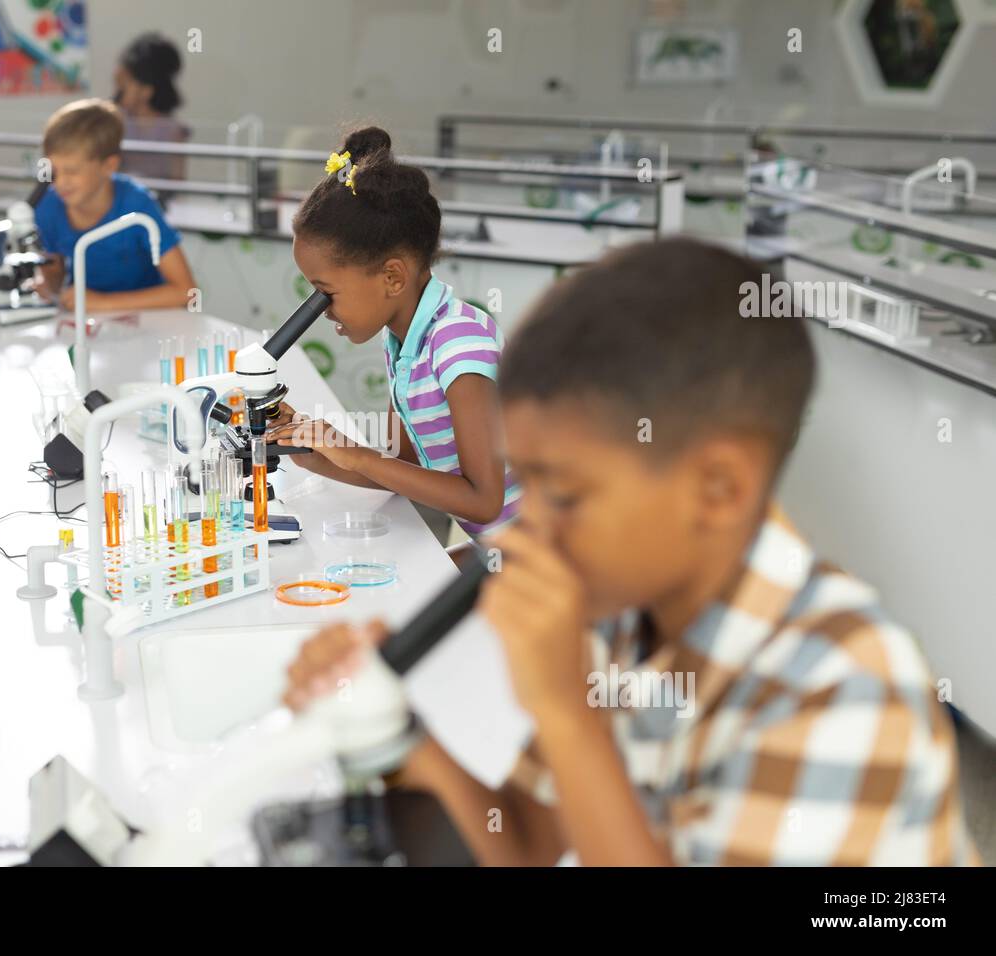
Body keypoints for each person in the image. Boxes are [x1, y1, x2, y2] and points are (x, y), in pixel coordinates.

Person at [284, 238, 977, 866]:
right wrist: (391, 730)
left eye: (566, 496)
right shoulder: (621, 623)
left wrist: (565, 712)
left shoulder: (844, 688)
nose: (524, 532)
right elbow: (521, 843)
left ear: (718, 488)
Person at [267, 126, 520, 539]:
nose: (319, 310)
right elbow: (407, 470)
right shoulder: (406, 343)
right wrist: (317, 454)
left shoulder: (459, 346)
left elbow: (483, 500)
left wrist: (359, 457)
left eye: (325, 292)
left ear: (392, 277)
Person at [34, 98, 195, 313]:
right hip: (90, 324)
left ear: (109, 165)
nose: (60, 182)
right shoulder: (49, 206)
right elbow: (55, 273)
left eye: (72, 171)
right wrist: (49, 287)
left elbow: (187, 291)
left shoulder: (137, 204)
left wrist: (103, 302)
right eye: (54, 171)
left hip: (148, 321)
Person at [111, 32, 189, 182]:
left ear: (146, 91)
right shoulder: (117, 122)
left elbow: (178, 181)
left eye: (125, 84)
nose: (118, 91)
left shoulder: (173, 130)